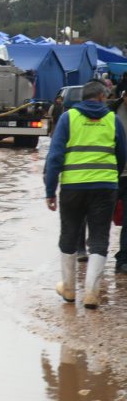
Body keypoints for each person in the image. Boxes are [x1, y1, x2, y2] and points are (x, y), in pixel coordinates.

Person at [45, 80, 127, 309]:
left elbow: (54, 157)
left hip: (73, 186)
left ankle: (69, 290)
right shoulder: (112, 119)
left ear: (83, 97)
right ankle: (92, 293)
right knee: (100, 238)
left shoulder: (68, 118)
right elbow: (122, 154)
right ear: (102, 97)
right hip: (105, 187)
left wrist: (50, 190)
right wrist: (111, 176)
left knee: (69, 234)